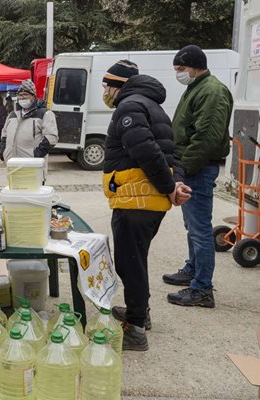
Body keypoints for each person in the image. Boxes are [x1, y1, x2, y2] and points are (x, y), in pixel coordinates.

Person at [100, 60, 191, 351]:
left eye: (106, 85)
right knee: (136, 260)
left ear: (120, 85)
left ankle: (136, 329)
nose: (104, 91)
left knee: (130, 263)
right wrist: (176, 184)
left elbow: (147, 151)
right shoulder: (153, 106)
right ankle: (141, 313)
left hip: (135, 200)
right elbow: (171, 152)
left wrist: (169, 186)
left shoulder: (130, 106)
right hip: (147, 201)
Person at [162, 45, 233, 308]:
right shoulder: (197, 87)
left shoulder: (211, 91)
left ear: (195, 66)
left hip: (197, 168)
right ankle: (193, 270)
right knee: (192, 226)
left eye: (181, 69)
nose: (178, 74)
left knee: (200, 229)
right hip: (191, 167)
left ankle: (202, 289)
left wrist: (185, 169)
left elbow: (207, 137)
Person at [0, 79, 58, 180]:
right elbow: (4, 135)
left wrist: (36, 155)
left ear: (33, 96)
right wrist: (4, 152)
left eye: (25, 94)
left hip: (33, 167)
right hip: (12, 166)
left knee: (31, 195)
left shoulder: (45, 114)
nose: (22, 97)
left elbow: (51, 137)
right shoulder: (12, 115)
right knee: (15, 194)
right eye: (20, 95)